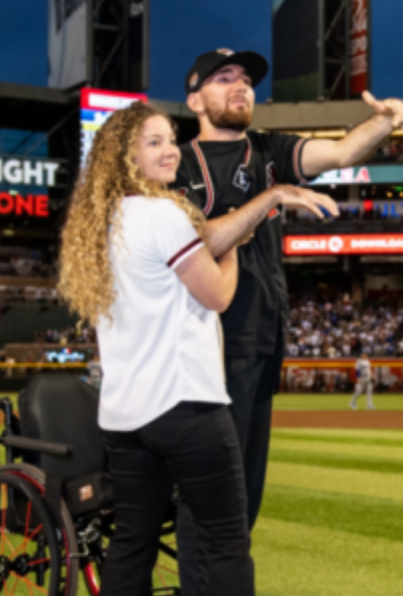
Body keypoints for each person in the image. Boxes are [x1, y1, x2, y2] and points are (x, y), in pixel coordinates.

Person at [170, 48, 403, 595]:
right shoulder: (177, 163)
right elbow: (199, 244)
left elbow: (344, 151)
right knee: (209, 496)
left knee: (243, 497)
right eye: (224, 78)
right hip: (205, 343)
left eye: (247, 80)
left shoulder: (268, 149)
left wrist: (385, 119)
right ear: (194, 99)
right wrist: (272, 196)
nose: (241, 87)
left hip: (260, 339)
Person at [58, 101, 253, 596]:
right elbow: (218, 295)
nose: (170, 151)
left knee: (131, 543)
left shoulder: (101, 225)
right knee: (226, 541)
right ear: (126, 156)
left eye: (170, 139)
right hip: (186, 405)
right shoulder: (161, 213)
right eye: (154, 143)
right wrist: (229, 251)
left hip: (125, 418)